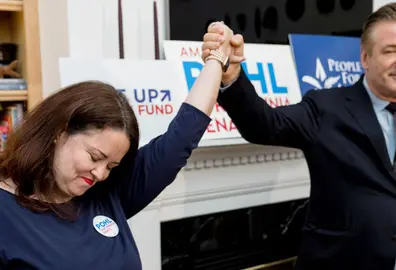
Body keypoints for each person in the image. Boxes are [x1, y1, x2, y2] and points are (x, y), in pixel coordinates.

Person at [202, 3, 396, 270]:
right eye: (391, 51)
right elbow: (264, 124)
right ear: (365, 57)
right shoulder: (326, 108)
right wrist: (232, 75)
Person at [0, 23, 237, 270]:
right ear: (59, 133)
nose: (100, 174)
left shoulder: (107, 192)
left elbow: (183, 136)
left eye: (111, 166)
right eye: (94, 157)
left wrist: (216, 58)